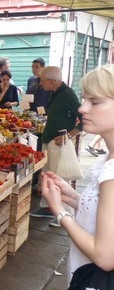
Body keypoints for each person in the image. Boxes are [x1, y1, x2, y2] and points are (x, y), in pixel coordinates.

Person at [40, 64, 114, 290]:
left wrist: (59, 213)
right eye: (83, 99)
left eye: (94, 101)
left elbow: (105, 254)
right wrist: (71, 196)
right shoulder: (107, 160)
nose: (82, 108)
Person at [31, 66, 82, 223]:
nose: (41, 84)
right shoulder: (55, 92)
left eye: (43, 81)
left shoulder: (68, 95)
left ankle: (66, 214)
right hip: (49, 140)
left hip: (59, 142)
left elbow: (84, 118)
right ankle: (48, 207)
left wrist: (69, 134)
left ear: (52, 82)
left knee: (59, 178)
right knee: (48, 175)